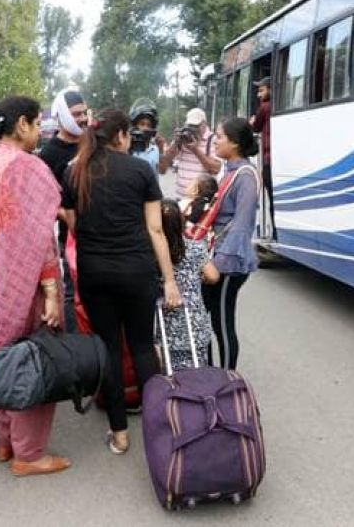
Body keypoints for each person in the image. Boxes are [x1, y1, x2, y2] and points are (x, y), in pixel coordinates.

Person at [0, 96, 70, 477]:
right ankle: (29, 453)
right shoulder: (26, 166)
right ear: (22, 124)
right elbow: (36, 240)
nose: (40, 133)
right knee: (31, 362)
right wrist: (52, 291)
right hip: (20, 279)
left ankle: (4, 442)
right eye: (38, 124)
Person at [63, 109, 182, 455]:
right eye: (129, 134)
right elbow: (156, 229)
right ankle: (161, 430)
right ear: (120, 136)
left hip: (94, 273)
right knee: (143, 347)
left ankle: (120, 433)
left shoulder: (75, 174)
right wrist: (170, 281)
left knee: (110, 350)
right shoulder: (140, 170)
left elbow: (73, 226)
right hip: (137, 271)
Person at [203, 118, 261, 370]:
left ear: (235, 143)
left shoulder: (246, 177)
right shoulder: (230, 170)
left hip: (229, 262)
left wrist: (219, 264)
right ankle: (206, 373)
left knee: (222, 322)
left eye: (219, 136)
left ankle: (227, 380)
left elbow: (241, 225)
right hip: (215, 256)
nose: (214, 140)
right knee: (204, 320)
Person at [38, 89, 89, 334]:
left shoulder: (91, 144)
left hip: (99, 233)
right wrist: (69, 215)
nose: (82, 118)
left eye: (84, 112)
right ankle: (75, 345)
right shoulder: (49, 154)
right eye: (76, 114)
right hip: (70, 237)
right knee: (72, 290)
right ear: (62, 115)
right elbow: (46, 203)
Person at [160, 199, 218, 370]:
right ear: (181, 223)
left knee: (170, 373)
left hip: (167, 331)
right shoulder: (195, 248)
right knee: (197, 375)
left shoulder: (154, 255)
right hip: (195, 327)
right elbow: (213, 276)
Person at [158, 108, 220, 199]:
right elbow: (165, 164)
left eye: (196, 126)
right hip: (181, 197)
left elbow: (215, 168)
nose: (193, 129)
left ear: (204, 125)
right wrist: (176, 143)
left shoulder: (213, 139)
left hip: (201, 199)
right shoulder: (183, 137)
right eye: (190, 126)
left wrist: (196, 150)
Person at [250, 76, 276, 240]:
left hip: (269, 160)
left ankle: (275, 234)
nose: (259, 95)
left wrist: (252, 121)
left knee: (272, 198)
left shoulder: (265, 107)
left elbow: (255, 126)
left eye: (262, 90)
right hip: (275, 158)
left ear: (271, 90)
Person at [128, 98, 165, 176]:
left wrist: (161, 150)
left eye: (148, 125)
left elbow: (162, 171)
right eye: (142, 124)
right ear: (135, 126)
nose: (145, 128)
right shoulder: (127, 147)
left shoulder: (154, 149)